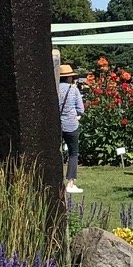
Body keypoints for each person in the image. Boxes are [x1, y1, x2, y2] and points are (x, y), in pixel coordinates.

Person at [56, 62, 84, 195]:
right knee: (73, 153)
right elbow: (81, 109)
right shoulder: (73, 90)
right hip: (71, 125)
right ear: (69, 77)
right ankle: (70, 183)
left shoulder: (55, 88)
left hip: (57, 124)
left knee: (56, 152)